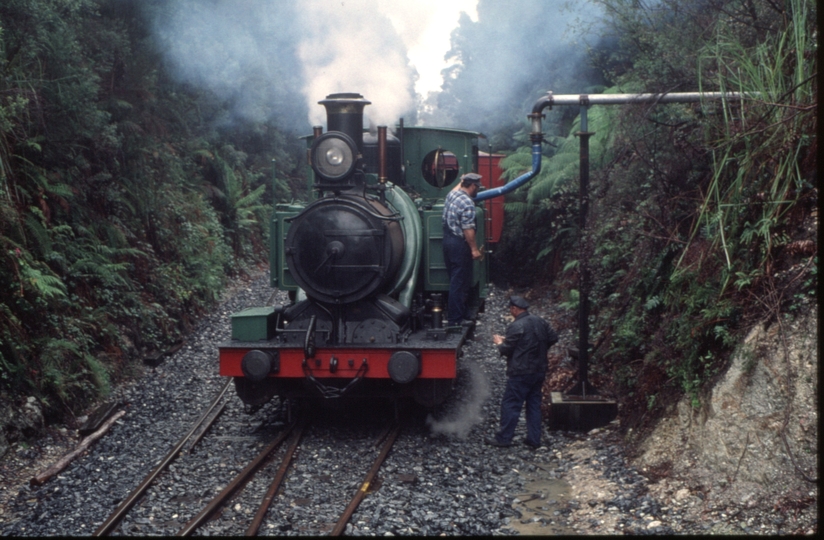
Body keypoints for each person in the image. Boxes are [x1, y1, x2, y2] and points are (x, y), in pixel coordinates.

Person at [487, 295, 558, 449]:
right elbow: (553, 337)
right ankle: (534, 439)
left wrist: (500, 343)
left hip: (520, 372)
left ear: (515, 309)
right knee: (533, 404)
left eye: (511, 309)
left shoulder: (516, 325)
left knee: (511, 404)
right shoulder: (540, 321)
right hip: (539, 370)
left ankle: (504, 438)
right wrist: (539, 348)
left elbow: (507, 350)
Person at [442, 172, 484, 326]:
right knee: (459, 283)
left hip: (447, 241)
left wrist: (462, 179)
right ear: (472, 186)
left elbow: (456, 188)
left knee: (455, 280)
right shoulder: (467, 203)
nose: (477, 190)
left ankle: (458, 313)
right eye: (477, 187)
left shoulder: (452, 195)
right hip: (459, 245)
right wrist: (474, 249)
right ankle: (455, 320)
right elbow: (468, 229)